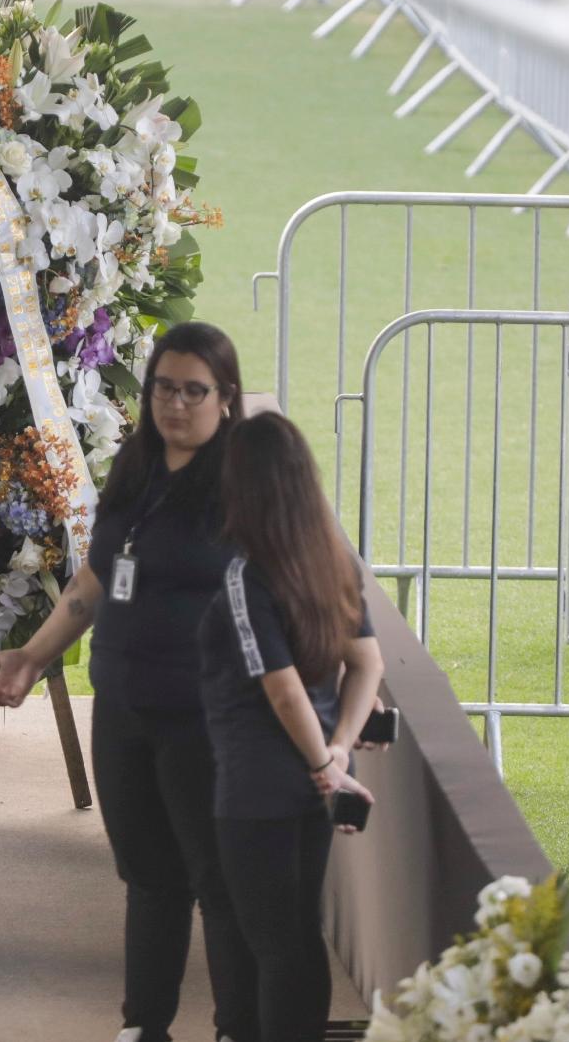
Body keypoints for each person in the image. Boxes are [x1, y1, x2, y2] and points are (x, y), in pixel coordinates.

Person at [0, 321, 253, 1042]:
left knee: (217, 883)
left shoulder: (243, 487)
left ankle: (238, 1028)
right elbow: (99, 575)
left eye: (196, 391)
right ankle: (144, 1026)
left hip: (206, 715)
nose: (177, 404)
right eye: (165, 387)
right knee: (149, 876)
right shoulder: (136, 471)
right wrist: (32, 656)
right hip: (125, 710)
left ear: (226, 399)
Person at [198, 412, 384, 1042]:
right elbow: (367, 665)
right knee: (300, 940)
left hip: (258, 789)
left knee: (271, 948)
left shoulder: (247, 576)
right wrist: (336, 753)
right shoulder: (334, 561)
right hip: (316, 788)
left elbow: (280, 689)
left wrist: (321, 760)